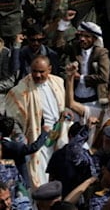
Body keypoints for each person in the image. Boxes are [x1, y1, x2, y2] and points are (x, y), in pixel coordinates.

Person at [4, 55, 67, 186]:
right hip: (37, 137)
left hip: (58, 133)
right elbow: (12, 117)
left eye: (41, 71)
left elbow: (62, 105)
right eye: (34, 71)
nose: (37, 75)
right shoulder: (21, 90)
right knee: (40, 176)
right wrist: (20, 136)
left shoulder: (58, 82)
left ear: (49, 69)